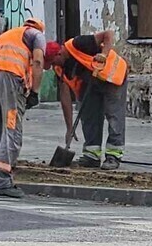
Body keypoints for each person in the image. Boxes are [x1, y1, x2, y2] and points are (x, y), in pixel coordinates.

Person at [45, 30, 129, 170]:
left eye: (52, 62)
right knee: (89, 115)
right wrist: (69, 127)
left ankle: (113, 155)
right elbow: (65, 97)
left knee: (114, 115)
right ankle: (92, 155)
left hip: (112, 75)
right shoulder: (59, 67)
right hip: (92, 81)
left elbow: (108, 34)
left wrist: (103, 54)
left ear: (59, 54)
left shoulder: (78, 43)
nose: (52, 66)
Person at [0, 18, 46, 198]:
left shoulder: (10, 34)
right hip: (9, 77)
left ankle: (4, 173)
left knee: (0, 129)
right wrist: (34, 92)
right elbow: (38, 62)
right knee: (12, 129)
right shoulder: (37, 35)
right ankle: (1, 181)